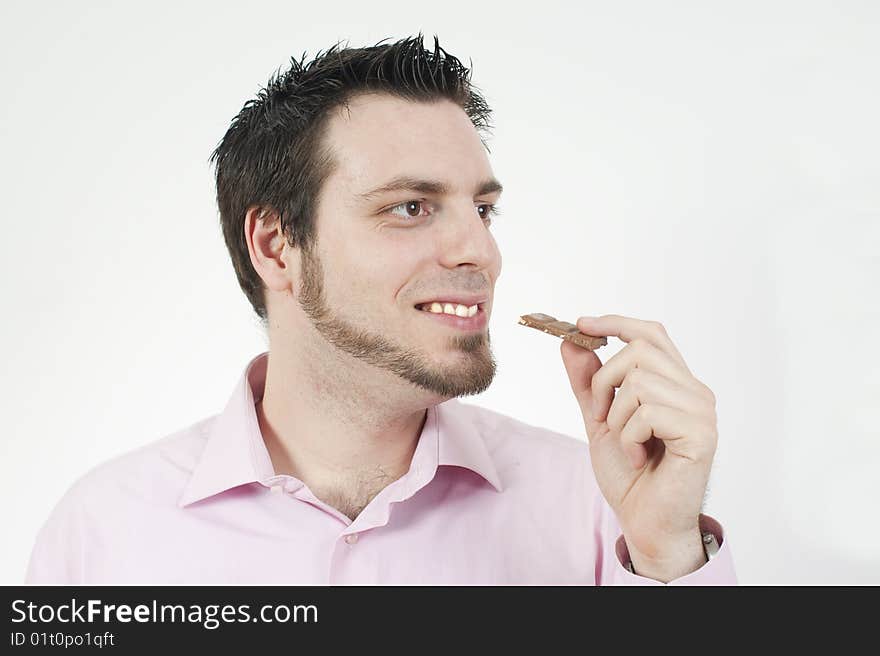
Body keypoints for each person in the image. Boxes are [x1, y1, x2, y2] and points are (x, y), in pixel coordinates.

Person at [25, 34, 736, 585]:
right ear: (276, 246)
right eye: (410, 207)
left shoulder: (598, 509)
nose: (480, 251)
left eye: (482, 208)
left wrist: (668, 553)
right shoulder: (106, 531)